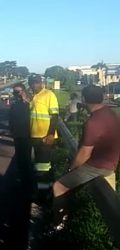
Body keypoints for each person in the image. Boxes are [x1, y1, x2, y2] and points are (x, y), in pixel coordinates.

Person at [51, 85, 120, 229]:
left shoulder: (93, 122)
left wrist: (70, 169)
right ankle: (67, 215)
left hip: (97, 166)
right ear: (102, 98)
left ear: (83, 99)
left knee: (58, 186)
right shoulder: (110, 113)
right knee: (69, 186)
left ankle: (59, 224)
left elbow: (84, 154)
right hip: (110, 163)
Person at [28, 74, 59, 189]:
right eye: (32, 82)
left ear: (41, 83)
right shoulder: (33, 96)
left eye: (36, 82)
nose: (34, 85)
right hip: (34, 136)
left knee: (43, 167)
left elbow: (55, 116)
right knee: (38, 165)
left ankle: (44, 192)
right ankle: (43, 188)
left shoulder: (49, 94)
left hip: (45, 137)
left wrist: (50, 134)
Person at [9, 83, 33, 190]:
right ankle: (23, 181)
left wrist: (26, 101)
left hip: (28, 135)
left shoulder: (30, 103)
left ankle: (29, 183)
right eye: (14, 92)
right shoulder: (14, 105)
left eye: (17, 92)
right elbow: (11, 120)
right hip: (18, 135)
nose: (16, 94)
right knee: (20, 159)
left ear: (23, 91)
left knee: (27, 159)